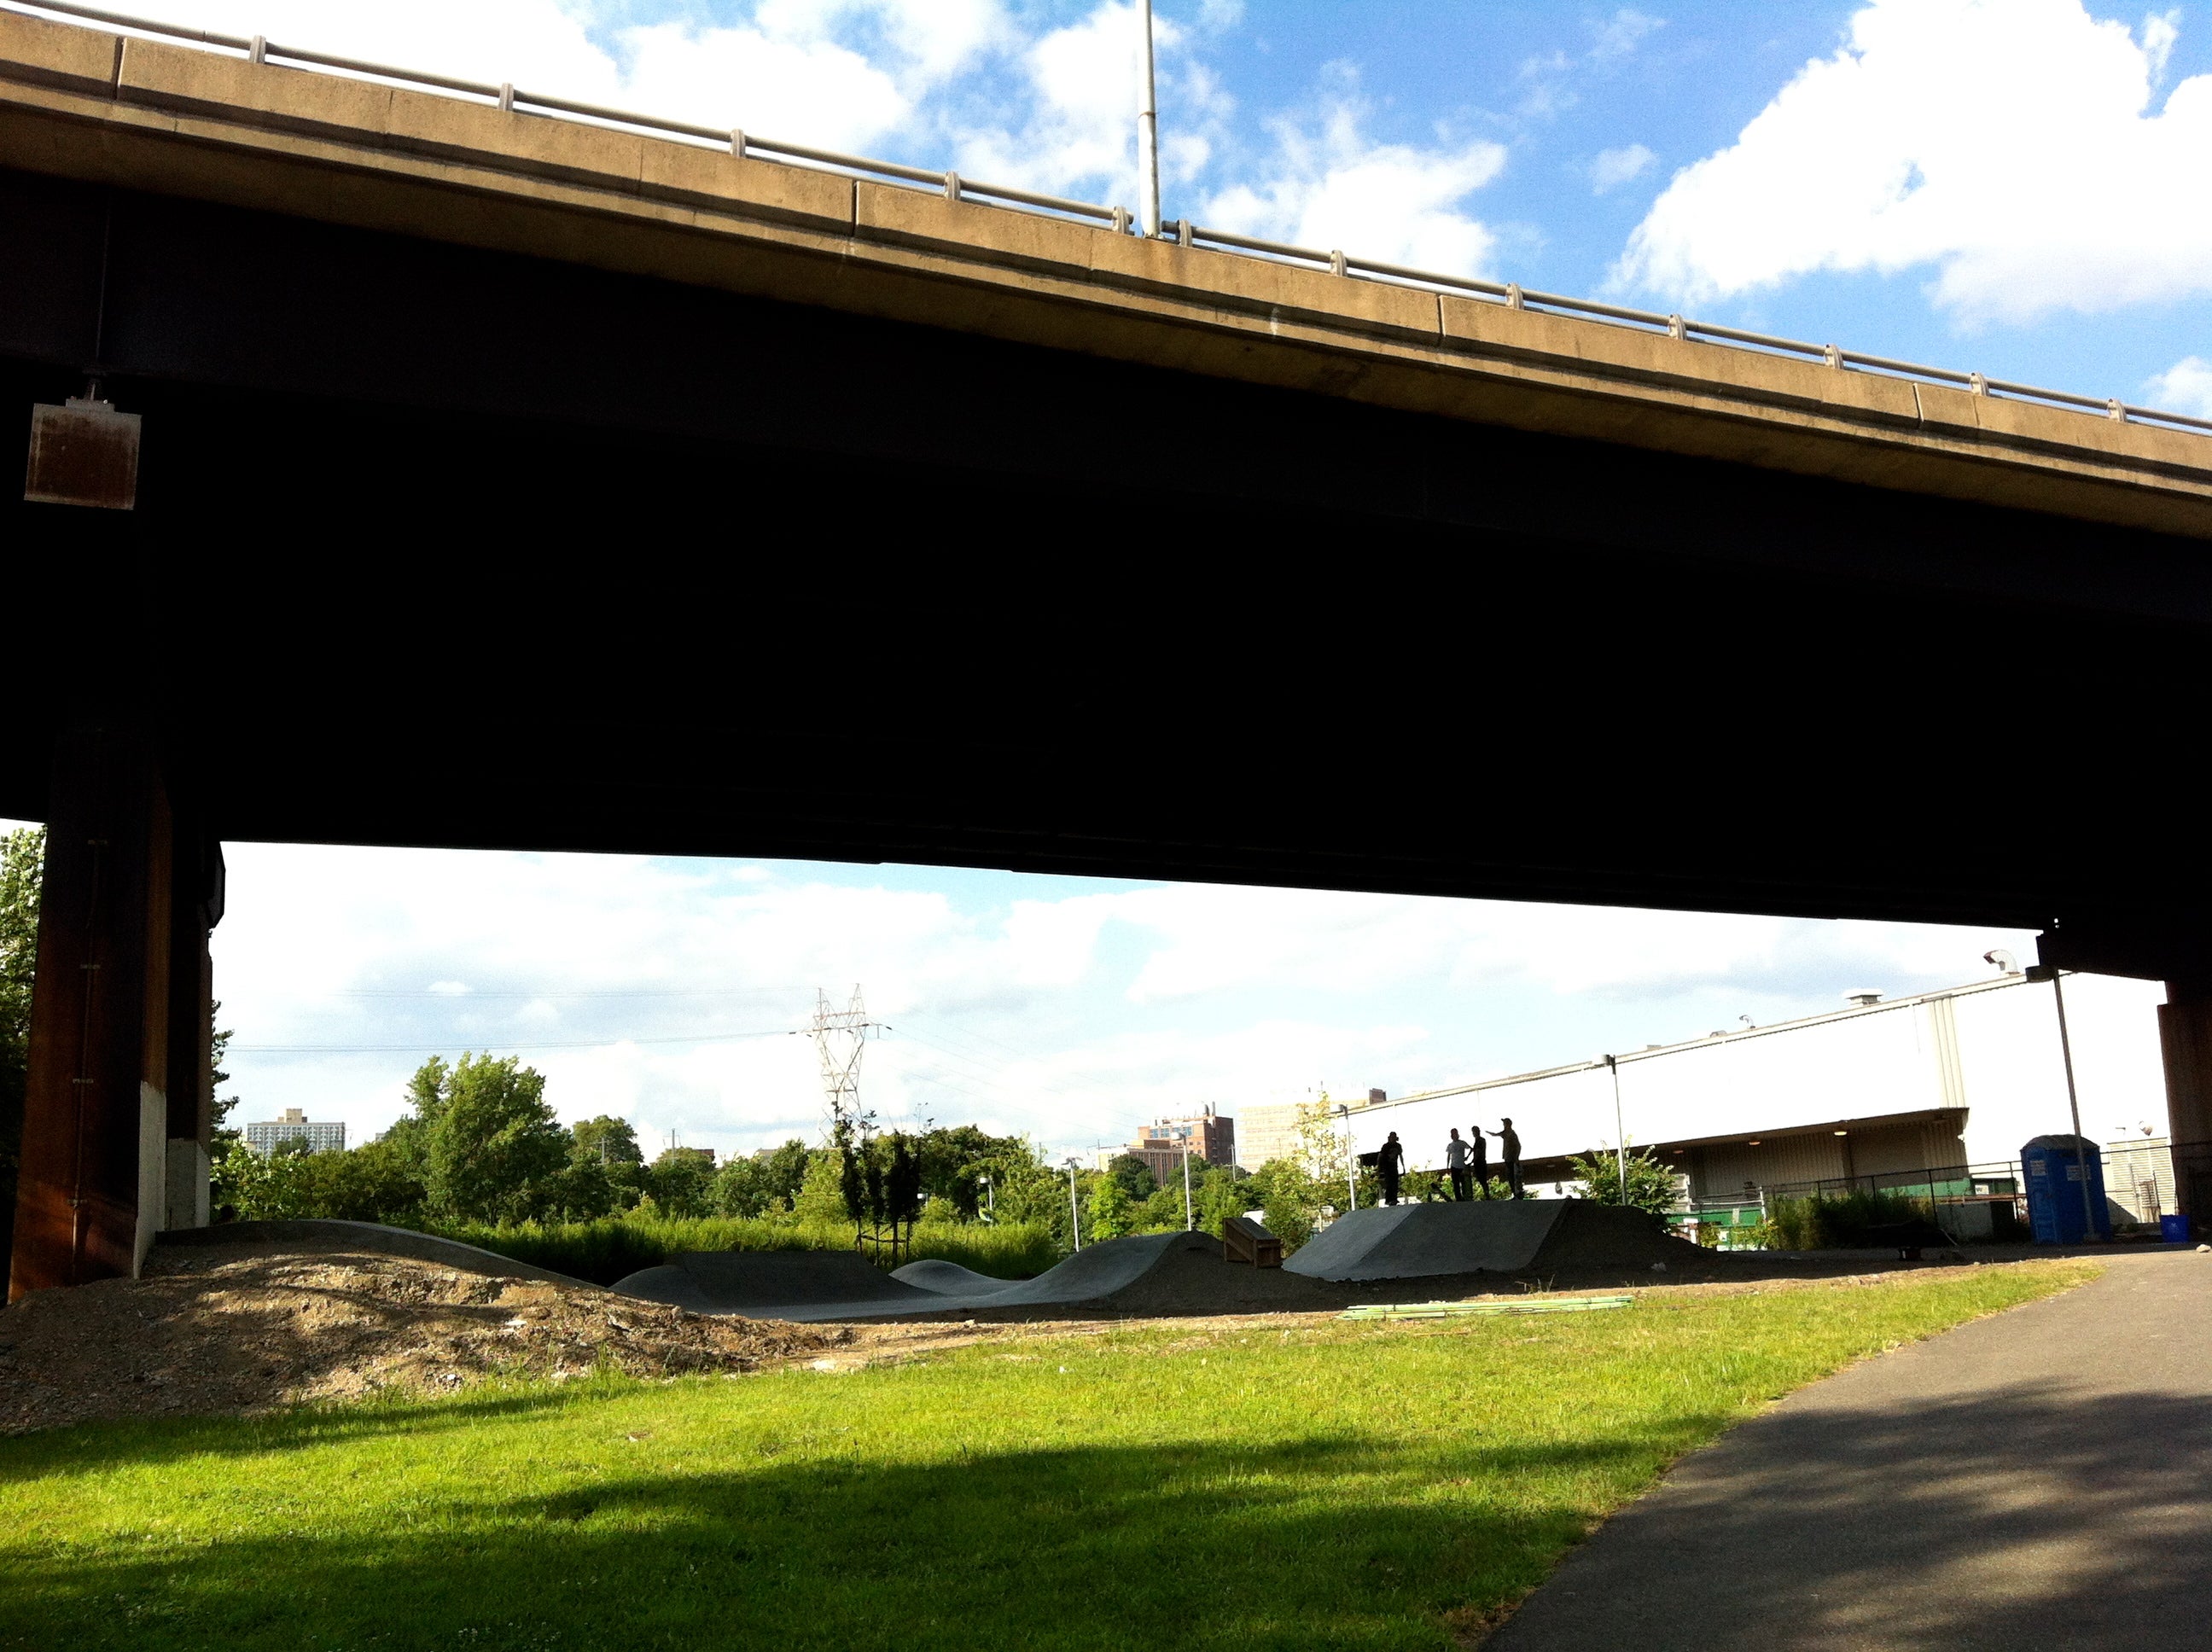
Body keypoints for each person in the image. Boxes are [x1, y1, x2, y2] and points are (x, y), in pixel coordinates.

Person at [1497, 1117, 1522, 1199]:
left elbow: (1518, 1146)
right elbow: (1498, 1134)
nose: (1503, 1125)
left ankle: (1517, 1193)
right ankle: (1514, 1193)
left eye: (1504, 1124)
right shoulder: (1505, 1133)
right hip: (1507, 1158)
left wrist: (1516, 1157)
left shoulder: (1512, 1134)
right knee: (1510, 1176)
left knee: (1514, 1176)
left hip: (1512, 1158)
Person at [1377, 1131, 1406, 1207]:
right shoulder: (1386, 1146)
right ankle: (1389, 1199)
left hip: (1394, 1167)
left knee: (1395, 1183)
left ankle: (1394, 1198)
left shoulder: (1398, 1146)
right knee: (1389, 1183)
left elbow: (1400, 1156)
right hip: (1387, 1167)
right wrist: (1379, 1168)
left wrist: (1403, 1167)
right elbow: (1380, 1156)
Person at [1444, 1128, 1472, 1201]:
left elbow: (1471, 1149)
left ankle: (1465, 1197)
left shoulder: (1462, 1143)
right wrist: (1447, 1166)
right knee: (1456, 1184)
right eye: (1453, 1134)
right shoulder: (1450, 1145)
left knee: (1463, 1183)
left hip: (1461, 1166)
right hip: (1454, 1166)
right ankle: (1458, 1198)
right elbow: (1448, 1156)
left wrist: (1467, 1157)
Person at [1468, 1121, 1489, 1196]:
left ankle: (1487, 1194)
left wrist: (1472, 1161)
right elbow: (1474, 1149)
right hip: (1480, 1161)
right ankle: (1486, 1193)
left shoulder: (1480, 1140)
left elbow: (1478, 1152)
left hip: (1480, 1162)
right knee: (1482, 1179)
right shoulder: (1478, 1140)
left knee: (1482, 1178)